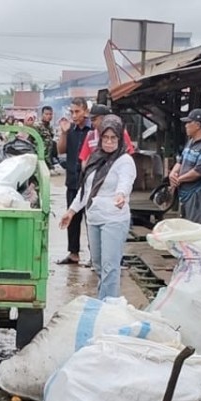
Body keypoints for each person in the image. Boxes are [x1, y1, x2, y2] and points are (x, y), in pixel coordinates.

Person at [60, 115, 136, 300]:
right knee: (99, 265)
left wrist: (121, 195)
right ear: (100, 138)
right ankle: (107, 300)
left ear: (120, 139)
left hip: (114, 218)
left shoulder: (124, 161)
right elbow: (86, 188)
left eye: (113, 138)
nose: (109, 142)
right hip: (94, 217)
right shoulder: (95, 158)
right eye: (105, 138)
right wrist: (71, 211)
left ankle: (107, 308)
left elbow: (126, 181)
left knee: (111, 266)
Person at [55, 97, 92, 265]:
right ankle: (74, 253)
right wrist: (63, 132)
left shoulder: (94, 131)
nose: (74, 115)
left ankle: (95, 255)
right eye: (72, 112)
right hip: (72, 180)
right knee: (72, 217)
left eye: (77, 111)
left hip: (90, 182)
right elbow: (61, 150)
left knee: (91, 219)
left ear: (85, 111)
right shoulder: (71, 131)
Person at [169, 108, 201, 226]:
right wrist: (172, 174)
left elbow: (198, 172)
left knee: (196, 229)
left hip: (198, 193)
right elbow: (180, 161)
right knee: (185, 227)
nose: (185, 126)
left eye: (188, 122)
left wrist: (178, 179)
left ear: (197, 125)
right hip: (186, 192)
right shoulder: (190, 142)